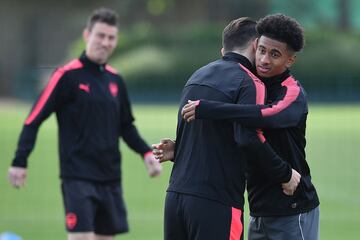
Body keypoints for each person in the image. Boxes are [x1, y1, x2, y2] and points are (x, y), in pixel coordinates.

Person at [8, 7, 162, 240]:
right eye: (100, 35)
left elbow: (126, 126)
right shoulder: (66, 75)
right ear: (86, 35)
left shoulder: (115, 80)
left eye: (111, 37)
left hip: (110, 178)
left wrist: (146, 153)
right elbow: (33, 119)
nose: (105, 42)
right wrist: (20, 161)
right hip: (77, 177)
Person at [153, 17, 301, 240]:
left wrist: (178, 149)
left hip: (175, 198)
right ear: (255, 45)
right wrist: (285, 174)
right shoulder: (250, 82)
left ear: (224, 49)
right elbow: (248, 138)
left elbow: (200, 132)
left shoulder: (197, 75)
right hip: (216, 203)